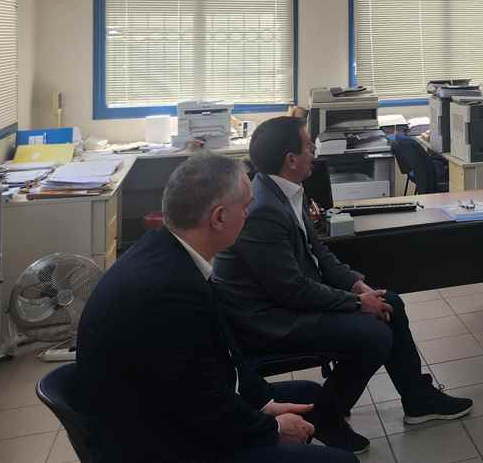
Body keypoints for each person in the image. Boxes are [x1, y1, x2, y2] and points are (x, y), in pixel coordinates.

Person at [212, 117, 472, 455]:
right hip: (268, 320)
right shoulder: (263, 209)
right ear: (291, 159)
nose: (314, 153)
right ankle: (326, 416)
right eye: (308, 147)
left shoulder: (283, 190)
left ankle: (417, 398)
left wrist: (358, 286)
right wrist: (357, 304)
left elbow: (318, 253)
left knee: (390, 301)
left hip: (286, 302)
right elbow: (292, 290)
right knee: (373, 334)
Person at [75, 153, 357, 463]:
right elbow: (199, 404)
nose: (251, 214)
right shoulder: (170, 290)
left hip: (177, 410)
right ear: (219, 217)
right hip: (161, 443)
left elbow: (222, 357)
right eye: (246, 207)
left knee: (312, 398)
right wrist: (271, 427)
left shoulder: (165, 251)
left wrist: (262, 403)